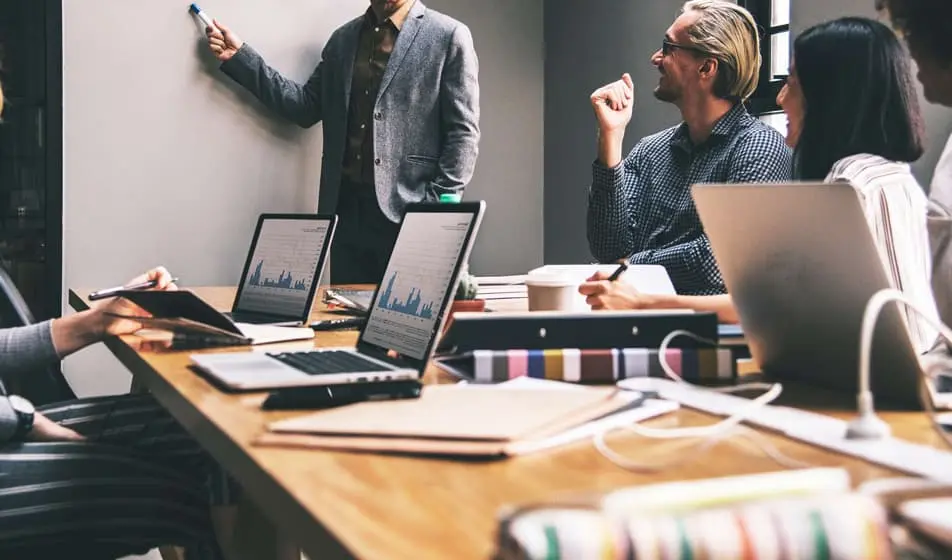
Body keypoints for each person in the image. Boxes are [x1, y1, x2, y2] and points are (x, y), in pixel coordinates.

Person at [581, 16, 940, 354]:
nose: (781, 98)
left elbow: (763, 294)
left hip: (883, 388)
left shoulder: (850, 185)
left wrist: (636, 282)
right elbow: (609, 247)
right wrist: (610, 138)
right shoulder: (876, 178)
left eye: (791, 83)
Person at [204, 0, 480, 284]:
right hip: (345, 215)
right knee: (346, 322)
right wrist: (241, 58)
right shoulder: (342, 40)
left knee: (404, 322)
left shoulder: (448, 35)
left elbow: (463, 132)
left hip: (409, 214)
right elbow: (304, 106)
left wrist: (432, 208)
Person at [586, 0, 792, 296]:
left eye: (668, 47)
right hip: (635, 325)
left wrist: (629, 267)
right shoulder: (650, 151)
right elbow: (607, 248)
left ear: (706, 67)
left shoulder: (759, 147)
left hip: (703, 337)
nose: (655, 58)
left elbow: (717, 263)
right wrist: (611, 136)